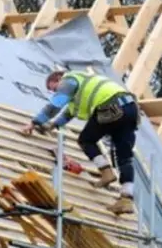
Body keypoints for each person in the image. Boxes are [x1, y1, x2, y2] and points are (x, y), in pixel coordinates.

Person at [21, 69, 140, 215]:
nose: (55, 92)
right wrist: (53, 125)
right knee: (124, 157)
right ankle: (126, 200)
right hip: (131, 108)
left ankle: (106, 173)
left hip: (110, 106)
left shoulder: (69, 79)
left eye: (54, 88)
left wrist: (34, 122)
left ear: (59, 78)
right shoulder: (83, 85)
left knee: (86, 140)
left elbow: (54, 105)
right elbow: (69, 112)